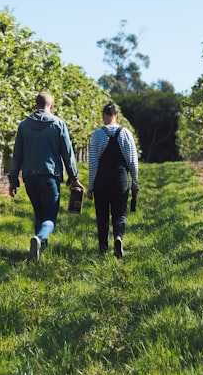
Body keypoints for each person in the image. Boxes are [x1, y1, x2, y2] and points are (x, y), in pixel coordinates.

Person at [8, 91, 85, 261]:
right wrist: (74, 177)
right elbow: (67, 154)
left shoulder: (24, 126)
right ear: (52, 106)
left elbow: (17, 156)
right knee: (49, 217)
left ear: (35, 106)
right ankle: (40, 239)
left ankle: (39, 248)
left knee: (39, 214)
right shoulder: (58, 124)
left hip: (30, 177)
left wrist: (13, 180)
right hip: (50, 177)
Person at [86, 100, 139, 258]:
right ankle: (118, 237)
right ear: (117, 115)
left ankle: (103, 248)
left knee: (102, 214)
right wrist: (135, 182)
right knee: (119, 213)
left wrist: (91, 185)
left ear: (103, 116)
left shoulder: (97, 134)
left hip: (102, 179)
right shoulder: (126, 134)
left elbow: (93, 162)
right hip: (120, 178)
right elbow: (132, 161)